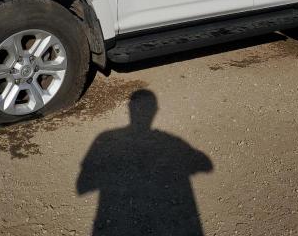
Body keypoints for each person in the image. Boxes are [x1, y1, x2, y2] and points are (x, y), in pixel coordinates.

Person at [77, 90, 213, 235]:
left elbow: (82, 186)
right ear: (155, 111)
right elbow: (206, 164)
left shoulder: (105, 137)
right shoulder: (168, 139)